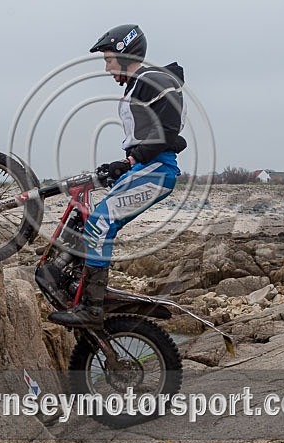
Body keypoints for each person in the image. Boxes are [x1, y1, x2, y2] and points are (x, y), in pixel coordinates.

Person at [49, 24, 187, 328]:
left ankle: (92, 307)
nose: (107, 68)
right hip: (144, 167)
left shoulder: (154, 80)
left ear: (126, 54)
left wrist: (133, 159)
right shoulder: (139, 85)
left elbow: (167, 130)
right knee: (86, 218)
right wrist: (123, 165)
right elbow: (150, 135)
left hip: (157, 170)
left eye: (109, 59)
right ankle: (73, 282)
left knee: (101, 221)